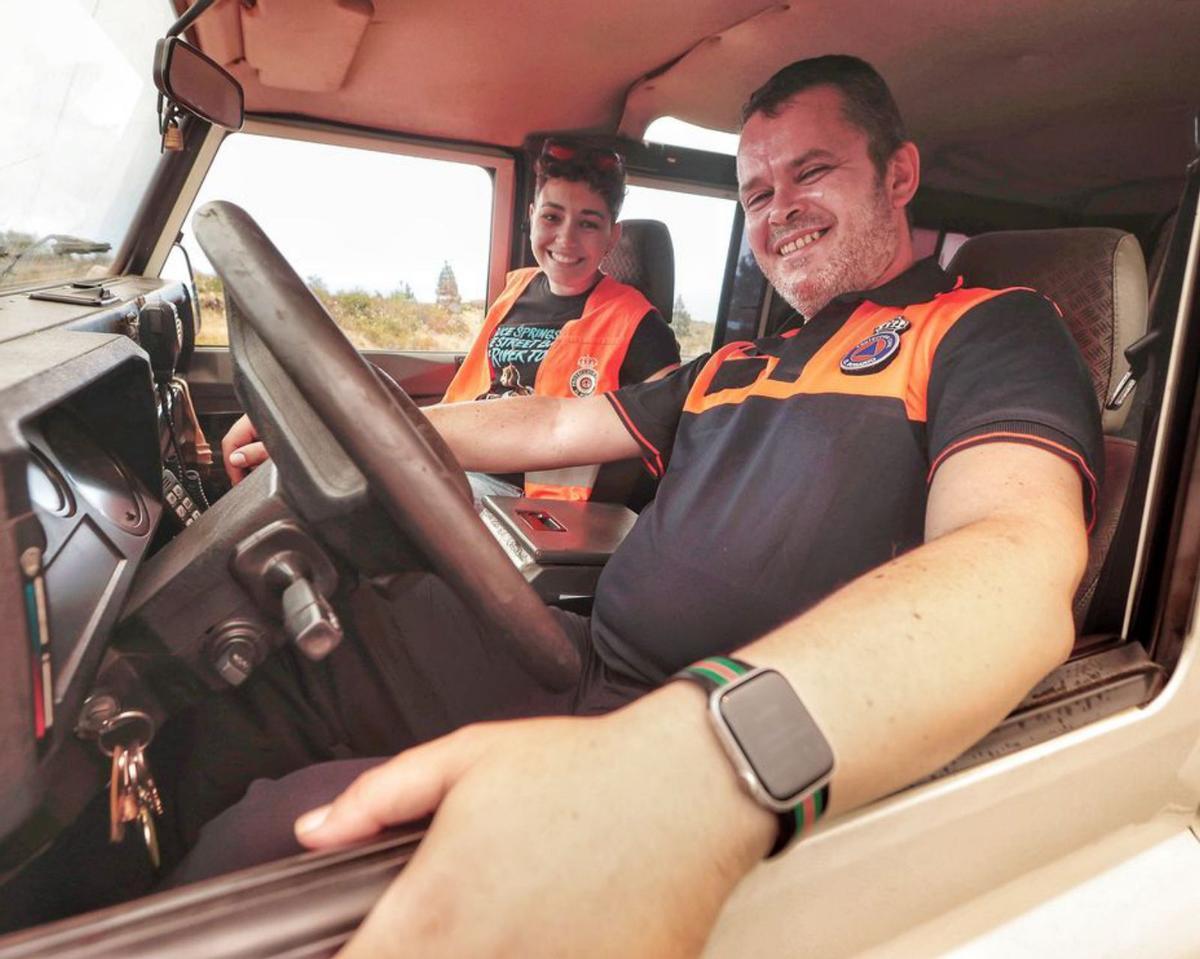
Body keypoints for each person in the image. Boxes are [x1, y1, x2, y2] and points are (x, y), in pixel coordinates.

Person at [184, 54, 1101, 957]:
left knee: (266, 845)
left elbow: (1015, 554)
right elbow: (549, 425)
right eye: (755, 194)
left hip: (707, 741)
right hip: (584, 666)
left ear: (898, 175)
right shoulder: (735, 363)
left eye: (811, 171)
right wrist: (365, 422)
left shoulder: (989, 326)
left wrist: (701, 756)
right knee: (274, 649)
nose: (779, 210)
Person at [225, 137, 679, 503]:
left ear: (612, 236)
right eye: (552, 216)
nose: (565, 238)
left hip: (527, 500)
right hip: (455, 460)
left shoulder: (640, 324)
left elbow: (669, 438)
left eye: (588, 223)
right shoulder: (516, 289)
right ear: (530, 218)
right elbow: (474, 389)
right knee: (314, 487)